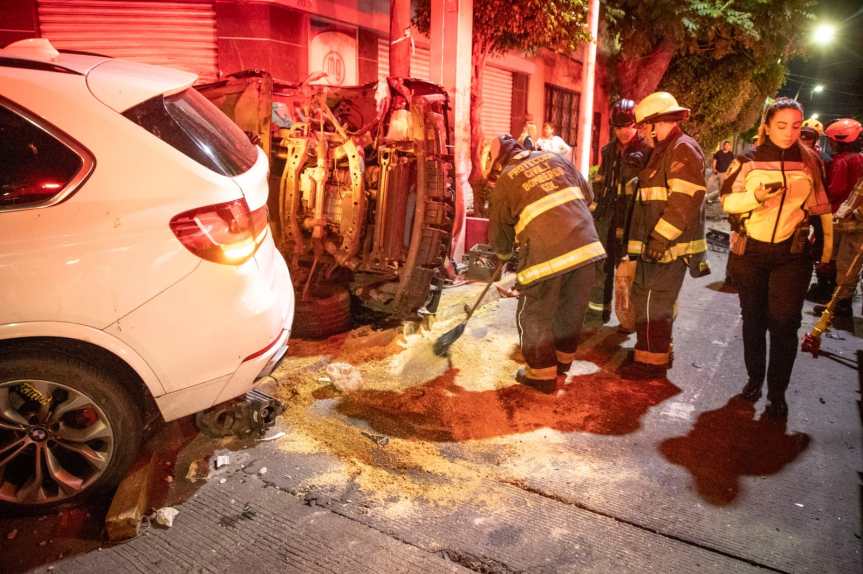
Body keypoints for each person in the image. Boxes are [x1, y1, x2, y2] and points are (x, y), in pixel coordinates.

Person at [721, 97, 833, 419]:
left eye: (796, 126)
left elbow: (821, 209)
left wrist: (826, 253)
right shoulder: (747, 161)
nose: (788, 132)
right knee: (753, 320)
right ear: (767, 126)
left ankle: (777, 393)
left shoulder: (811, 161)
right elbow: (727, 202)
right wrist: (754, 197)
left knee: (784, 324)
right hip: (751, 253)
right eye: (781, 125)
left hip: (792, 255)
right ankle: (754, 380)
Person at [482, 135, 606, 393]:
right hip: (587, 248)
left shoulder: (506, 179)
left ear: (497, 163)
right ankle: (561, 365)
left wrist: (504, 254)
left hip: (547, 254)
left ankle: (541, 374)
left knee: (534, 311)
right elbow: (589, 194)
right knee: (570, 309)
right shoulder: (555, 158)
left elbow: (499, 232)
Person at [618, 92, 709, 380]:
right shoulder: (663, 151)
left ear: (658, 124)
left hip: (668, 248)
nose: (643, 133)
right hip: (656, 247)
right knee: (648, 300)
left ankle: (649, 364)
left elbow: (683, 201)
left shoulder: (682, 149)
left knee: (652, 303)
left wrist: (659, 239)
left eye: (645, 126)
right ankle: (653, 353)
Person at [588, 98, 651, 328]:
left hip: (631, 219)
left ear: (636, 125)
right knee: (600, 267)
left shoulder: (646, 150)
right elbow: (601, 183)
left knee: (628, 273)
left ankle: (629, 320)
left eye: (628, 126)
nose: (624, 131)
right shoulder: (609, 150)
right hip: (606, 217)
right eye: (618, 126)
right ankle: (597, 314)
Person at [812, 118, 863, 317]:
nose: (830, 143)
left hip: (843, 218)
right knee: (847, 261)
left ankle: (839, 304)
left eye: (832, 140)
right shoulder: (858, 159)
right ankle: (838, 301)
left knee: (840, 260)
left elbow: (836, 189)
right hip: (851, 219)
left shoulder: (842, 161)